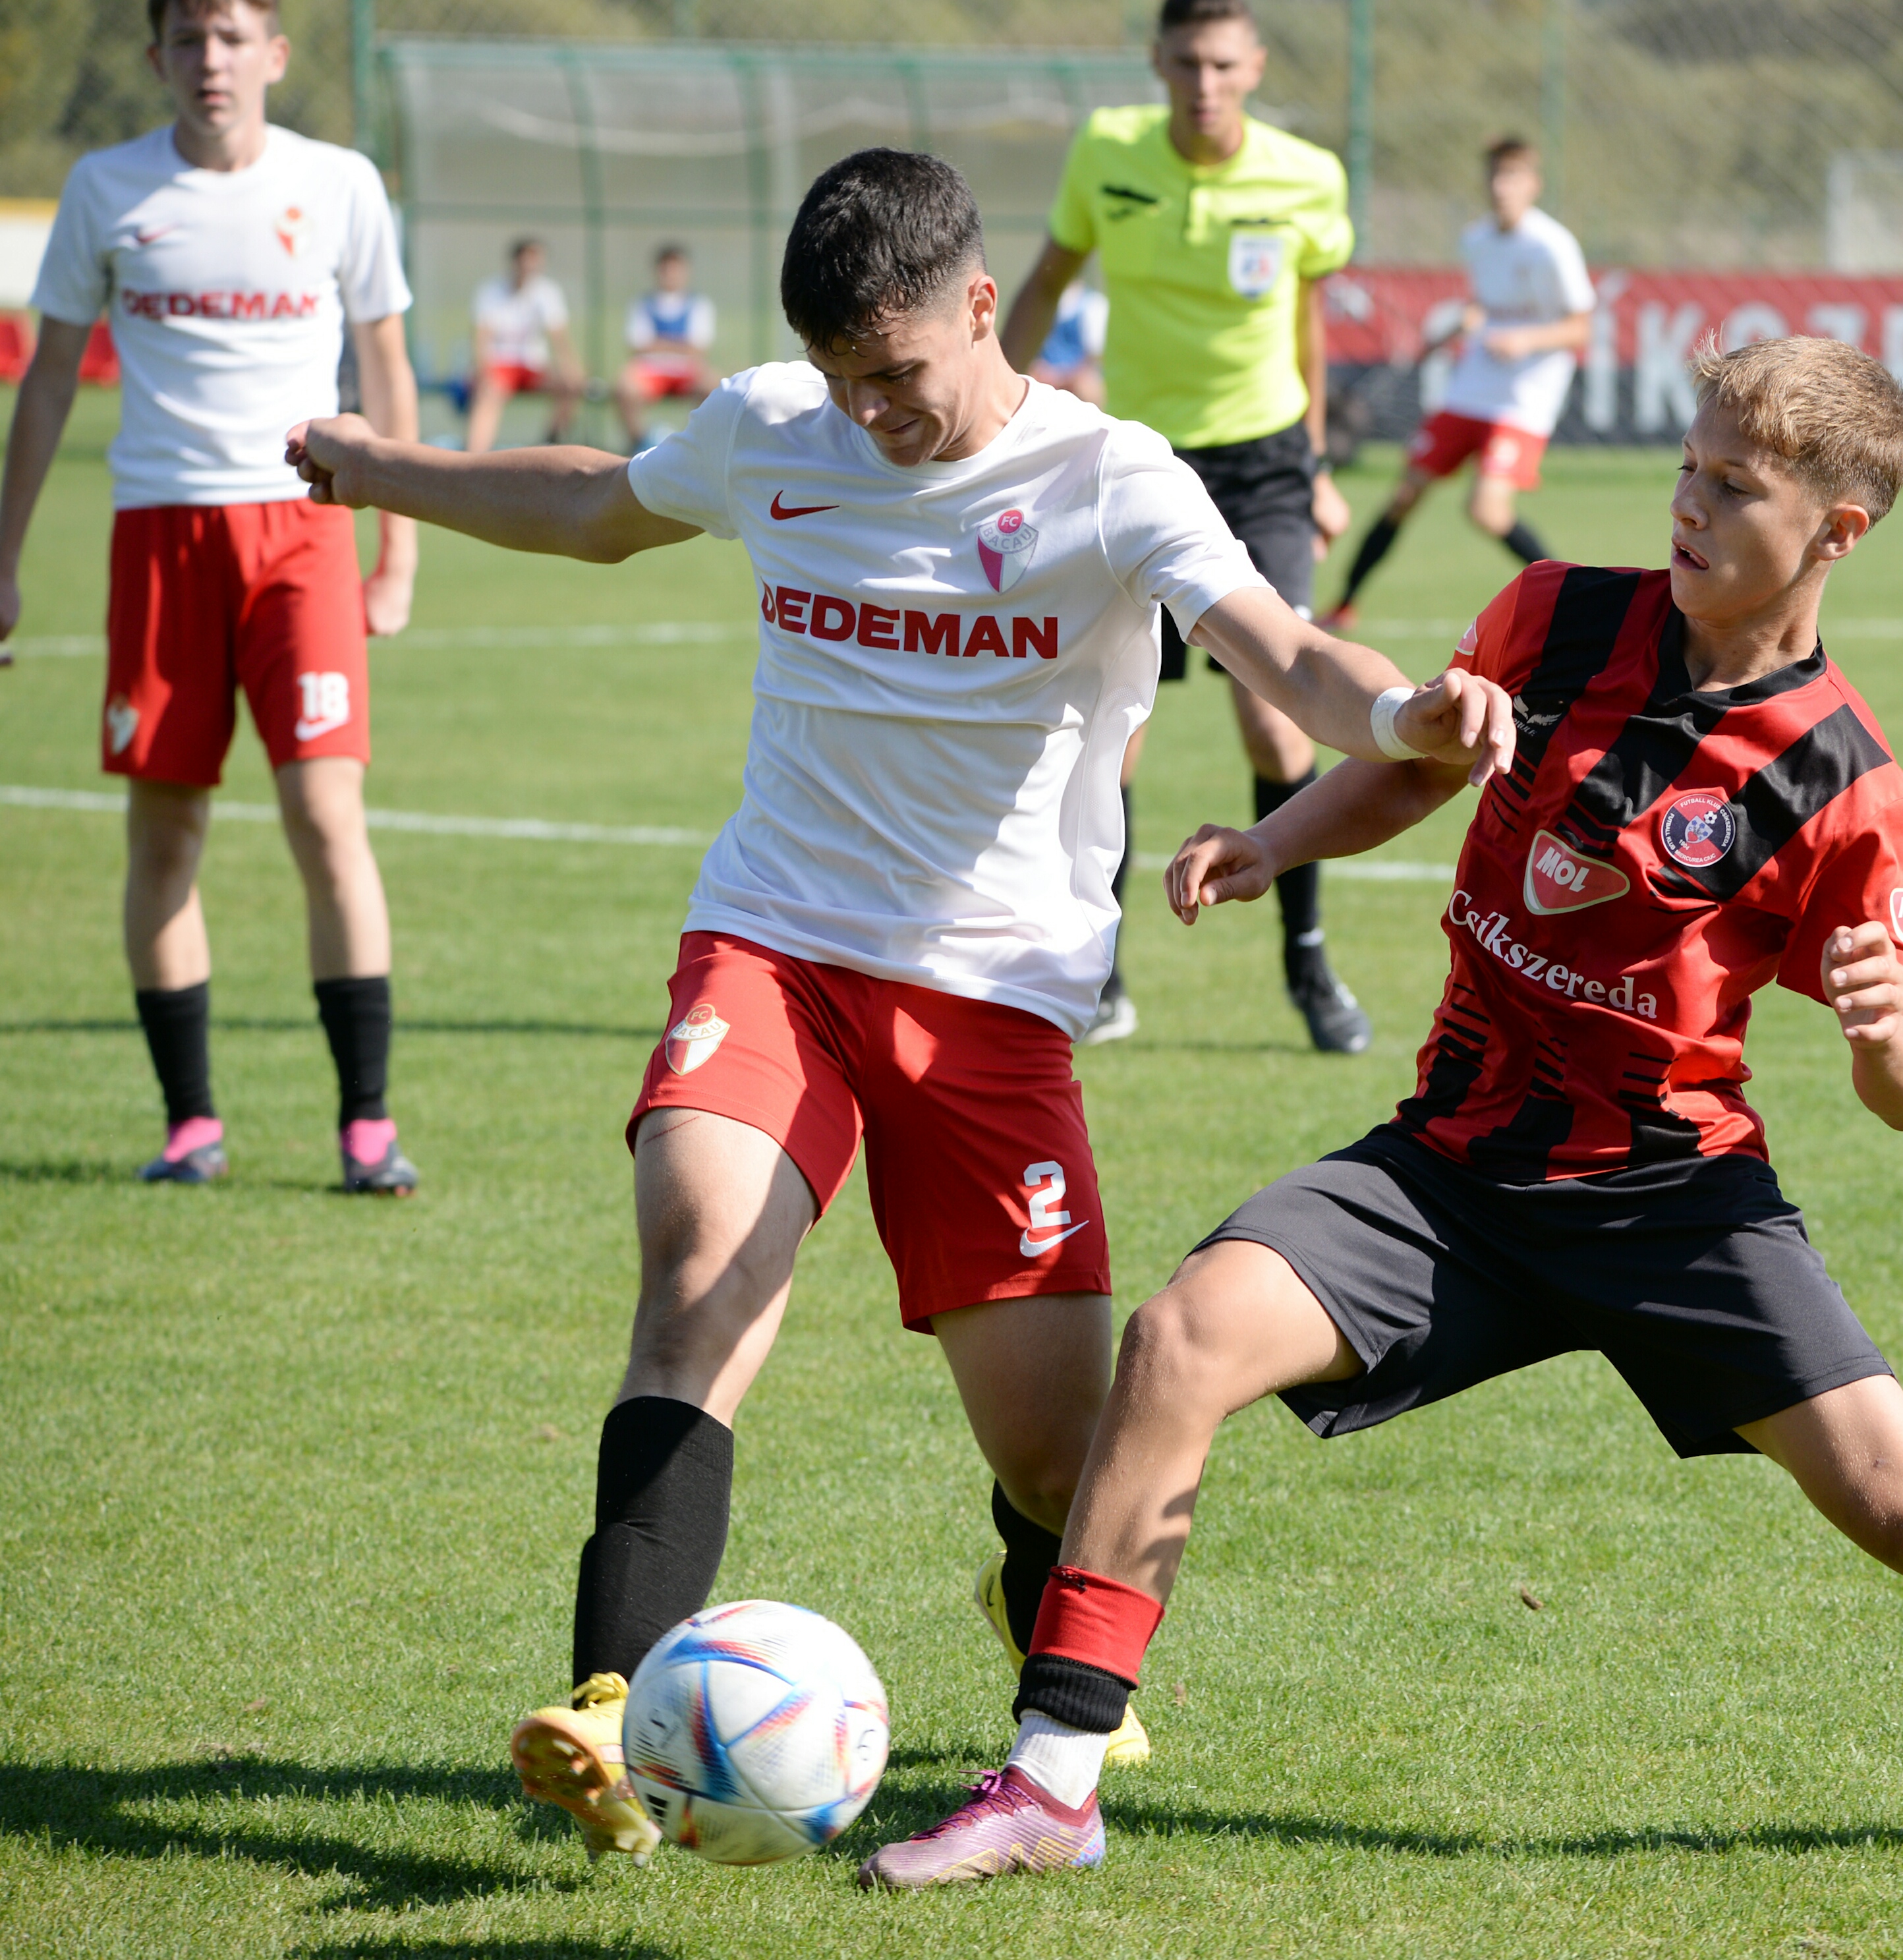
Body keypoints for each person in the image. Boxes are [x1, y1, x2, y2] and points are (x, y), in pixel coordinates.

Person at [857, 335, 1903, 1889]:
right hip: (1452, 1172)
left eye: (1735, 489)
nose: (1687, 508)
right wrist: (1285, 842)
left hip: (1672, 1206)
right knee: (1183, 1337)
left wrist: (1894, 1031)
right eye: (1688, 472)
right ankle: (1057, 1781)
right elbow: (1422, 766)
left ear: (1840, 529)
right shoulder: (1552, 618)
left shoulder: (1841, 781)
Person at [285, 147, 1514, 1864]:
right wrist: (373, 468)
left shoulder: (1106, 475)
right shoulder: (772, 427)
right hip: (773, 942)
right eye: (845, 381)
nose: (872, 417)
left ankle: (1044, 1612)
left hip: (994, 996)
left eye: (902, 377)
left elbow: (1283, 648)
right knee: (696, 1267)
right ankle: (605, 1703)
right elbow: (587, 508)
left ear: (981, 307)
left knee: (1046, 1452)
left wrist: (1401, 721)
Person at [0, 0, 424, 1196]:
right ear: (157, 60)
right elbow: (42, 389)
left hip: (305, 531)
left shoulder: (341, 184)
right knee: (165, 831)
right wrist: (5, 556)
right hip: (158, 538)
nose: (210, 61)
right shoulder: (104, 187)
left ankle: (367, 1127)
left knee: (326, 820)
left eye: (232, 36)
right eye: (187, 39)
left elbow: (385, 368)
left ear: (275, 54)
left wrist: (402, 550)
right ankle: (190, 1125)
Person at [1001, 0, 1369, 1054]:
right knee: (1114, 735)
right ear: (1156, 63)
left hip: (1262, 468)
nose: (1203, 83)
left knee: (1274, 719)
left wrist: (1316, 461)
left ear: (1253, 65)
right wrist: (995, 424)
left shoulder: (1307, 178)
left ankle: (1307, 963)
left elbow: (1304, 324)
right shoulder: (1107, 153)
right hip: (1134, 469)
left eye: (1222, 63)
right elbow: (1044, 282)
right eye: (1185, 64)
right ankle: (1098, 967)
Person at [1325, 135, 1590, 635]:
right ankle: (1343, 604)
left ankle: (1577, 603)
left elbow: (1580, 328)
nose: (1500, 187)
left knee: (1486, 511)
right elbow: (1485, 304)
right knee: (1403, 495)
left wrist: (1526, 339)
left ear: (1533, 185)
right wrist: (1445, 333)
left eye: (1511, 176)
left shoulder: (1552, 245)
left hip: (1521, 399)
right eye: (1493, 175)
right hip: (1470, 389)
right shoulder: (1477, 240)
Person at [465, 236, 578, 454]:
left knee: (571, 385)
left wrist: (569, 368)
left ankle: (550, 445)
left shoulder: (548, 292)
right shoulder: (490, 291)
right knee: (489, 393)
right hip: (500, 365)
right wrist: (483, 372)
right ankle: (474, 458)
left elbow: (559, 337)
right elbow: (481, 338)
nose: (530, 266)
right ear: (515, 262)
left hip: (533, 367)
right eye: (525, 260)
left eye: (535, 260)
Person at [614, 243, 716, 451]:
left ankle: (701, 446)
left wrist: (659, 344)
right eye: (666, 268)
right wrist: (679, 345)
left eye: (676, 268)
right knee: (625, 387)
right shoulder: (642, 304)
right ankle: (639, 444)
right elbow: (638, 347)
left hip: (687, 371)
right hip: (652, 370)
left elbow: (697, 349)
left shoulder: (699, 305)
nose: (671, 274)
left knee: (714, 386)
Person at [1030, 279, 1107, 407]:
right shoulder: (1035, 305)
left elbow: (1094, 361)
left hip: (1076, 384)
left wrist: (1060, 378)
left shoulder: (1093, 305)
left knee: (1086, 385)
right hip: (1042, 379)